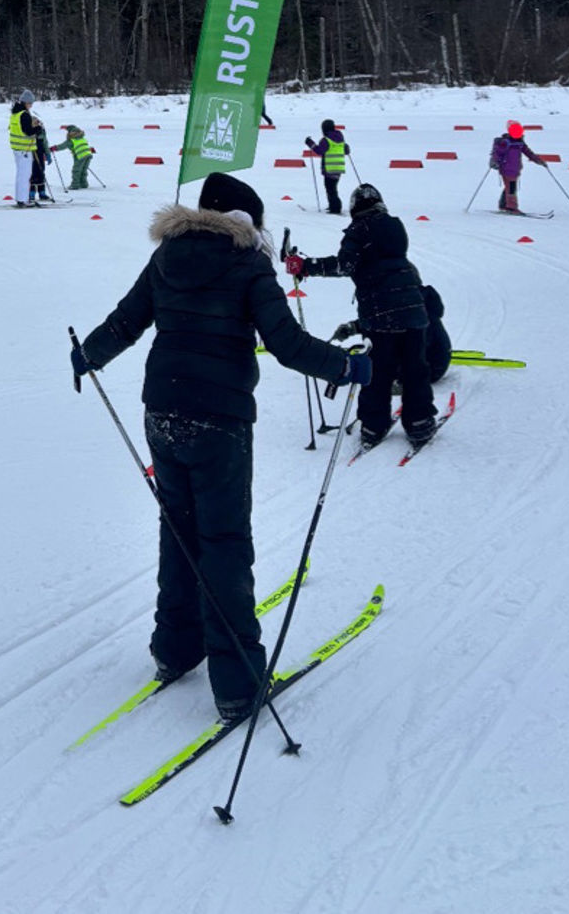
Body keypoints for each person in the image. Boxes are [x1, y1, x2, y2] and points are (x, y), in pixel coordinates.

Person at [70, 172, 370, 725]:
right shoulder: (248, 263)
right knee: (224, 541)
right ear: (243, 223)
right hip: (220, 420)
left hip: (162, 411)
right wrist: (346, 365)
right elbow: (286, 343)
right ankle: (237, 683)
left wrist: (89, 353)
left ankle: (176, 646)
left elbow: (126, 320)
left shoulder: (168, 255)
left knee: (179, 530)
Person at [285, 183, 435, 451]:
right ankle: (420, 421)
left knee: (377, 371)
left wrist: (306, 267)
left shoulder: (359, 229)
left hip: (380, 313)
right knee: (415, 369)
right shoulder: (395, 227)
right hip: (413, 309)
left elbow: (346, 265)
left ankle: (373, 425)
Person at [489, 119, 542, 213]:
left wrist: (538, 161)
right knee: (512, 188)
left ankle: (504, 205)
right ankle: (511, 207)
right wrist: (494, 161)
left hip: (516, 169)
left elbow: (528, 153)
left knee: (509, 187)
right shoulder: (505, 142)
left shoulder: (520, 142)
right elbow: (497, 153)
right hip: (506, 168)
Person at [304, 118, 347, 214]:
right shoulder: (340, 138)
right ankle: (333, 206)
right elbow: (346, 151)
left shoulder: (326, 140)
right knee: (333, 188)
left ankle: (335, 208)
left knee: (330, 188)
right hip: (339, 167)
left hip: (329, 168)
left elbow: (319, 151)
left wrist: (310, 143)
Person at [9, 96, 38, 206]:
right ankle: (23, 200)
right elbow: (28, 131)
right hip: (24, 149)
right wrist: (38, 128)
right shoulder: (24, 115)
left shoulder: (15, 114)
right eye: (30, 103)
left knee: (21, 174)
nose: (31, 106)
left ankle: (20, 198)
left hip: (17, 148)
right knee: (25, 175)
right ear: (25, 102)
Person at [52, 124, 96, 190]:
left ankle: (75, 185)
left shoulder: (71, 140)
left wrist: (54, 148)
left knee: (76, 170)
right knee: (83, 170)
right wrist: (90, 149)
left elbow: (62, 146)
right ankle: (84, 184)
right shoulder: (82, 138)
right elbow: (84, 146)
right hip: (88, 155)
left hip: (80, 156)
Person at [29, 116, 55, 203]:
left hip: (40, 155)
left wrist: (47, 154)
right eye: (34, 123)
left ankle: (42, 192)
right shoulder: (28, 132)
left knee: (41, 172)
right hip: (31, 155)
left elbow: (45, 143)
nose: (37, 124)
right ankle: (31, 193)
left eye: (37, 122)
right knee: (32, 174)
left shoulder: (41, 131)